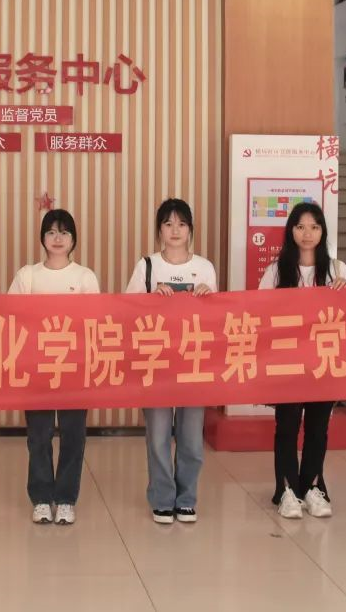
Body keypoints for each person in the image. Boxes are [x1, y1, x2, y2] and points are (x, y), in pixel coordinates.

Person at [258, 202, 346, 520]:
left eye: (314, 226)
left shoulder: (338, 270)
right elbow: (260, 314)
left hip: (324, 362)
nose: (307, 233)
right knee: (287, 426)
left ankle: (312, 487)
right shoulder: (276, 271)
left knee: (317, 427)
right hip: (287, 363)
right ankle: (287, 490)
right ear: (291, 231)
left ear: (323, 231)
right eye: (300, 226)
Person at [125, 198, 217, 524]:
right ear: (159, 230)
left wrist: (207, 298)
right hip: (157, 364)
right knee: (159, 436)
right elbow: (127, 311)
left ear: (190, 229)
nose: (175, 230)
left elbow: (217, 318)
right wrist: (151, 299)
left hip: (194, 363)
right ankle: (162, 498)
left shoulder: (205, 268)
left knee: (191, 439)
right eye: (168, 224)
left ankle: (187, 498)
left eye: (181, 224)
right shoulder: (147, 266)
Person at [9, 209, 100, 526]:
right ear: (42, 238)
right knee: (39, 435)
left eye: (64, 232)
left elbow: (94, 322)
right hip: (37, 368)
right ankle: (40, 498)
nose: (57, 238)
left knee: (74, 435)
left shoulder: (85, 277)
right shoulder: (28, 275)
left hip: (75, 368)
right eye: (51, 232)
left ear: (73, 239)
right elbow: (11, 317)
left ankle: (65, 499)